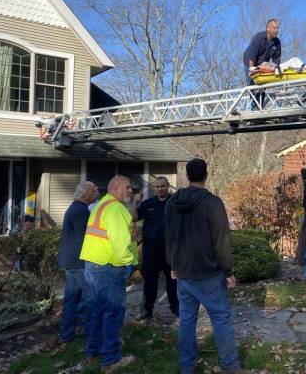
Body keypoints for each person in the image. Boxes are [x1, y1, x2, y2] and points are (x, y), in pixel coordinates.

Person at [165, 158, 241, 374]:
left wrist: (172, 262)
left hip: (184, 274)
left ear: (187, 176)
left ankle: (187, 367)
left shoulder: (172, 203)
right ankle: (230, 366)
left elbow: (169, 235)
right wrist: (228, 271)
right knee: (221, 320)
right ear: (205, 175)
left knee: (187, 322)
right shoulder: (212, 203)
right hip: (209, 276)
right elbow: (221, 239)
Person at [79, 176, 138, 372]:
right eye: (128, 187)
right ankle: (111, 360)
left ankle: (92, 352)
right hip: (108, 266)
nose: (130, 190)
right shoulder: (116, 209)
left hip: (93, 265)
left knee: (98, 311)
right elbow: (120, 242)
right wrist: (129, 262)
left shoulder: (101, 204)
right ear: (116, 188)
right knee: (113, 312)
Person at [131, 176, 179, 320]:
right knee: (150, 281)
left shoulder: (175, 203)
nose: (159, 189)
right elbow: (134, 218)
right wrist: (135, 202)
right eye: (157, 187)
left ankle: (176, 308)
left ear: (168, 185)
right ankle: (147, 310)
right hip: (151, 250)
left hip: (170, 250)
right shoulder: (148, 204)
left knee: (173, 282)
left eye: (162, 186)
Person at [57, 181, 98, 344]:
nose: (96, 192)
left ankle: (67, 334)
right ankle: (90, 334)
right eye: (93, 191)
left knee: (72, 299)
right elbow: (84, 240)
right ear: (85, 194)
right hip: (79, 262)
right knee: (90, 299)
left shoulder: (74, 207)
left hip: (70, 261)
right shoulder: (81, 211)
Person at [243, 19, 281, 109]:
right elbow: (251, 56)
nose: (277, 30)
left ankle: (260, 107)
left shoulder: (277, 42)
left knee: (263, 85)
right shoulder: (258, 38)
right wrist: (251, 70)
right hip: (250, 62)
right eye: (275, 28)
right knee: (252, 84)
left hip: (262, 65)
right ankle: (253, 108)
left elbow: (276, 59)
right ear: (268, 28)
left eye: (278, 28)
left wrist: (272, 68)